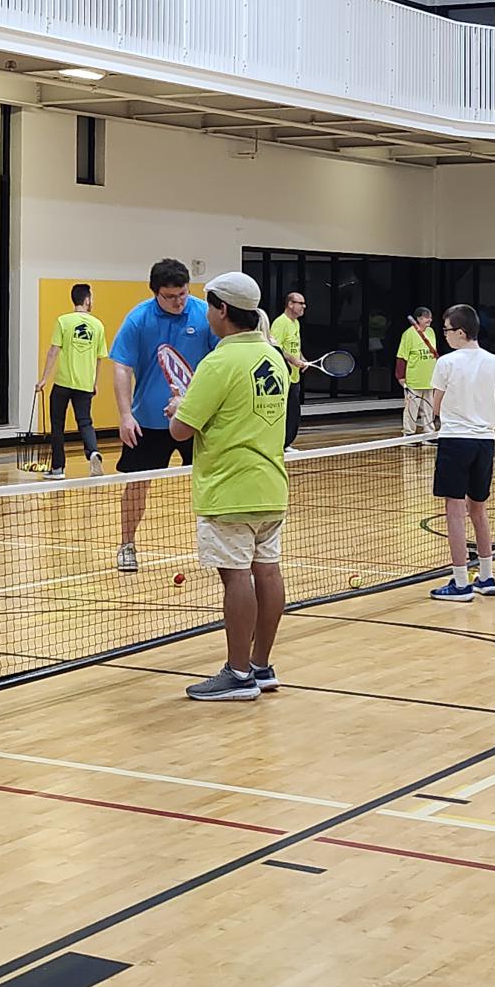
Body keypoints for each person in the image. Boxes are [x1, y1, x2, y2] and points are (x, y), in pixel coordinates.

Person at [167, 271, 289, 702]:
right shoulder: (273, 356)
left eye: (209, 306)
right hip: (271, 487)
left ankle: (238, 675)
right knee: (268, 572)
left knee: (237, 579)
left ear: (222, 310)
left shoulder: (219, 362)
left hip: (229, 489)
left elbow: (181, 431)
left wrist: (179, 407)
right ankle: (261, 666)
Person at [109, 258, 218, 572]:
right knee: (137, 485)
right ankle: (127, 545)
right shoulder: (138, 319)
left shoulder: (202, 313)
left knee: (208, 482)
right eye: (170, 296)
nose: (178, 301)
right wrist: (125, 415)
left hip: (195, 419)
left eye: (182, 293)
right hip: (148, 423)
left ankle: (211, 544)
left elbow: (220, 361)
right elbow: (121, 367)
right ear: (155, 292)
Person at [426, 303, 495, 603]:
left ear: (460, 332)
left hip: (455, 442)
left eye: (447, 330)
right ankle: (486, 576)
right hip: (485, 443)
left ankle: (461, 582)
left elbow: (435, 408)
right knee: (478, 509)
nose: (445, 335)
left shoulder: (446, 364)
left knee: (454, 512)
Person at [36, 283, 108, 479]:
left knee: (57, 426)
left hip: (62, 384)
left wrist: (43, 379)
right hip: (85, 384)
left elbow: (53, 351)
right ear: (86, 300)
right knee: (85, 422)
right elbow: (99, 357)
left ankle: (58, 468)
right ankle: (92, 452)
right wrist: (94, 382)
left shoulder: (63, 321)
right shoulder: (98, 325)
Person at [269, 290, 311, 451]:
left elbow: (294, 346)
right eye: (300, 303)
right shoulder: (280, 323)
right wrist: (293, 360)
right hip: (283, 377)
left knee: (294, 413)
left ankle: (287, 443)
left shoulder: (296, 323)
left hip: (295, 377)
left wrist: (302, 358)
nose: (304, 306)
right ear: (290, 304)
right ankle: (282, 444)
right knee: (286, 413)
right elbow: (275, 348)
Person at [395, 306, 439, 435]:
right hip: (414, 378)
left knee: (429, 408)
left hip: (429, 378)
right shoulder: (408, 334)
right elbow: (401, 356)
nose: (429, 320)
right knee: (411, 409)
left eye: (430, 317)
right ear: (419, 319)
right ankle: (408, 433)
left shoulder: (431, 332)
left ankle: (429, 433)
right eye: (426, 317)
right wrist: (401, 377)